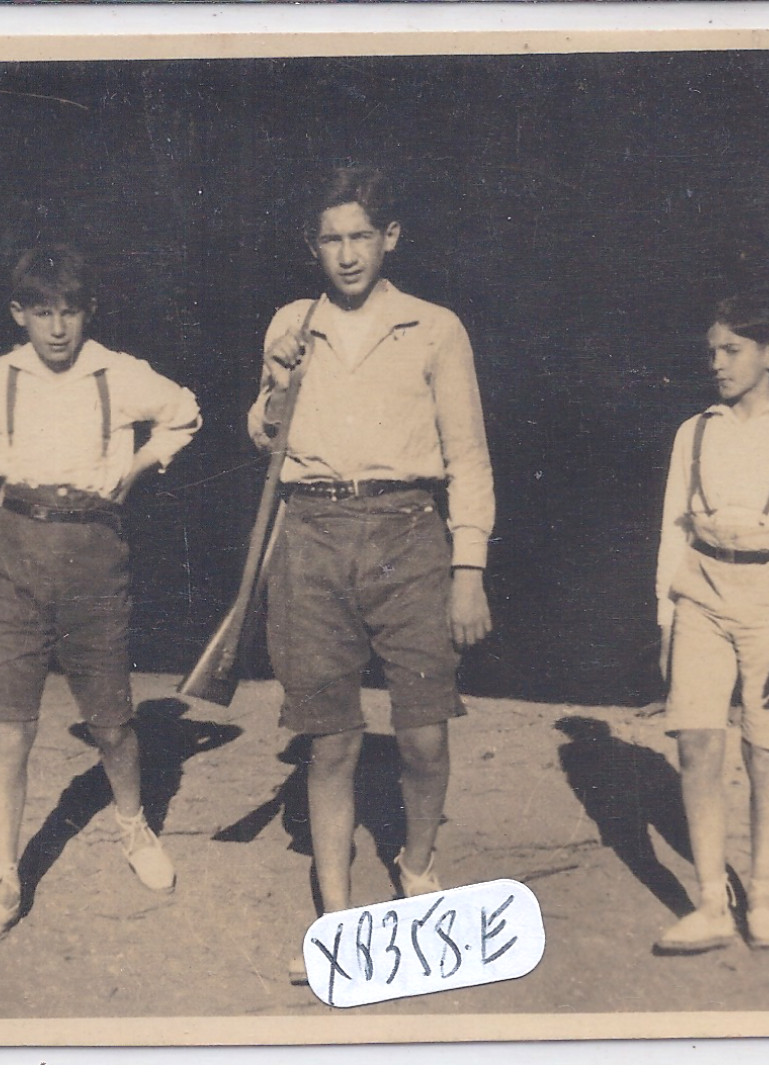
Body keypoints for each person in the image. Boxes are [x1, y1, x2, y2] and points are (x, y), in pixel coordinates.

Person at [246, 165, 494, 979]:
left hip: (407, 531)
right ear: (311, 246)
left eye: (361, 236)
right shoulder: (290, 322)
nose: (346, 254)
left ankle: (419, 870)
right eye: (331, 238)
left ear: (389, 238)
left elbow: (467, 454)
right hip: (310, 532)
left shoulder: (434, 326)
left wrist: (469, 567)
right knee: (329, 741)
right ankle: (339, 923)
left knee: (422, 733)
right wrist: (278, 378)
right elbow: (264, 433)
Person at [0, 244, 202, 948]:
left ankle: (131, 825)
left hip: (94, 553)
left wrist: (138, 465)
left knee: (112, 718)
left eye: (70, 312)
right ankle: (3, 876)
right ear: (19, 314)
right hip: (16, 550)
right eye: (43, 313)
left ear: (88, 312)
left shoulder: (117, 373)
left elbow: (184, 412)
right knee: (9, 721)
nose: (57, 329)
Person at [652, 295, 769, 953]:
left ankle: (762, 887)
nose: (717, 363)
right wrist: (666, 619)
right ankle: (710, 898)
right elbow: (671, 533)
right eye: (711, 351)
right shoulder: (694, 431)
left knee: (766, 749)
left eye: (730, 350)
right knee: (696, 742)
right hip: (700, 594)